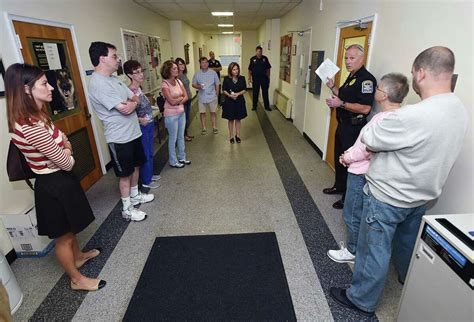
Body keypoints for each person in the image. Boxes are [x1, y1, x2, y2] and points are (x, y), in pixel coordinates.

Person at [329, 47, 468, 317]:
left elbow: (371, 139)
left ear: (421, 73)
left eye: (415, 73)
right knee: (406, 245)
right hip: (421, 198)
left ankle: (361, 299)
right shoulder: (457, 109)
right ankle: (407, 280)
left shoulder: (413, 116)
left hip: (388, 198)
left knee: (373, 252)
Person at [5, 63, 106, 291]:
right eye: (43, 83)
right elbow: (66, 160)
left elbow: (62, 139)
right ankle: (76, 279)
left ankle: (78, 257)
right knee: (63, 237)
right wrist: (66, 149)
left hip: (59, 178)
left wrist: (63, 146)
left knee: (70, 228)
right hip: (53, 183)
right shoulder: (30, 126)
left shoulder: (38, 115)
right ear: (26, 90)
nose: (51, 87)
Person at [327, 73, 409, 264]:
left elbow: (366, 147)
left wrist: (347, 157)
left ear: (385, 95)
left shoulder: (382, 120)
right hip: (368, 169)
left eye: (378, 88)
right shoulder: (394, 117)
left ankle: (352, 250)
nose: (375, 91)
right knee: (360, 212)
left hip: (360, 171)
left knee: (353, 212)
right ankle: (356, 247)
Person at [88, 41, 154, 222]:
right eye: (114, 56)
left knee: (136, 166)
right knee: (124, 175)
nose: (118, 60)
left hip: (133, 133)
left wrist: (131, 102)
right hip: (119, 138)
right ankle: (127, 208)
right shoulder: (98, 84)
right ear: (102, 59)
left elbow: (134, 97)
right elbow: (125, 108)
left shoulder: (114, 79)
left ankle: (135, 195)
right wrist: (131, 103)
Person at [324, 44, 376, 209]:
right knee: (339, 158)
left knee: (351, 163)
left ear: (362, 59)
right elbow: (344, 95)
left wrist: (341, 103)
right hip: (343, 125)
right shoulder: (351, 76)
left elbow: (365, 108)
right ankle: (339, 186)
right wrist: (333, 87)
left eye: (352, 58)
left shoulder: (366, 80)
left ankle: (347, 197)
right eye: (346, 58)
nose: (347, 61)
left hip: (354, 128)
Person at [123, 60, 161, 189]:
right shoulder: (130, 92)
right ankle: (146, 180)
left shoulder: (139, 88)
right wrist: (139, 120)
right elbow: (127, 112)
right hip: (141, 127)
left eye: (141, 71)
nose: (141, 75)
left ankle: (149, 174)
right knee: (145, 153)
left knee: (150, 151)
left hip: (149, 124)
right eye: (137, 72)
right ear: (129, 75)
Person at [160, 60, 190, 168]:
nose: (176, 70)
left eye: (176, 68)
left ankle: (182, 157)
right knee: (173, 138)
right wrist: (179, 99)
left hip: (181, 112)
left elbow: (186, 96)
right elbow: (171, 101)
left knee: (181, 136)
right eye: (174, 68)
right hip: (171, 115)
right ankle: (173, 161)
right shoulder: (165, 84)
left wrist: (178, 100)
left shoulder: (178, 81)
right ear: (168, 70)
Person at [192, 57, 220, 135]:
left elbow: (217, 84)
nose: (204, 64)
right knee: (202, 113)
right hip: (202, 97)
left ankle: (214, 127)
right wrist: (198, 87)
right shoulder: (197, 74)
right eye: (202, 62)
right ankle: (204, 127)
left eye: (206, 62)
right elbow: (193, 84)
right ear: (200, 64)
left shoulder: (213, 73)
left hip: (212, 96)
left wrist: (216, 95)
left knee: (213, 112)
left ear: (208, 63)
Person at [222, 62, 248, 143]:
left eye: (237, 69)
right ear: (230, 70)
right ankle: (231, 136)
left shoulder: (242, 78)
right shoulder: (226, 79)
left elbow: (244, 89)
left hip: (239, 101)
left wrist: (238, 94)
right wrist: (229, 95)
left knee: (238, 119)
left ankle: (238, 135)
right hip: (229, 102)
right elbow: (224, 90)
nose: (236, 71)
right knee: (230, 119)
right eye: (234, 69)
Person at [175, 57, 194, 142]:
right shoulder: (177, 77)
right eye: (179, 64)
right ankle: (183, 135)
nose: (182, 65)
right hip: (183, 100)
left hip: (189, 99)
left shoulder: (184, 74)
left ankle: (186, 133)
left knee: (187, 118)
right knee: (184, 119)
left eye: (183, 63)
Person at [248, 45, 272, 111]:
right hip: (255, 79)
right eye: (258, 51)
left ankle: (267, 106)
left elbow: (268, 68)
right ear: (256, 52)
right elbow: (249, 70)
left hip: (264, 79)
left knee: (265, 93)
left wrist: (268, 77)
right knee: (255, 93)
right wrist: (249, 78)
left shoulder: (265, 58)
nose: (259, 53)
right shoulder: (252, 59)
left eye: (261, 51)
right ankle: (254, 106)